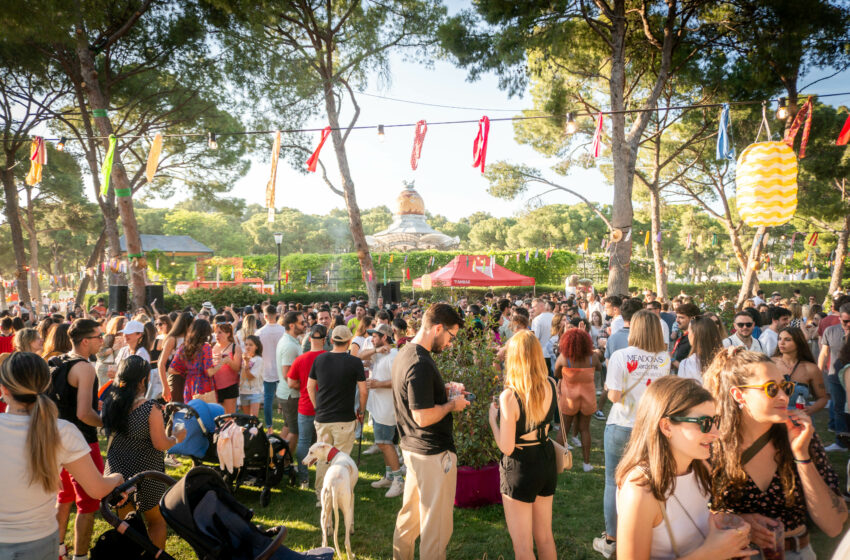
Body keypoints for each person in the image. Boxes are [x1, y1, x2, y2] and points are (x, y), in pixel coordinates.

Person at [704, 348, 846, 558]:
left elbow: (833, 525)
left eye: (785, 387)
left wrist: (802, 456)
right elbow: (689, 513)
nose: (783, 396)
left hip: (796, 552)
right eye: (771, 388)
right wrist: (738, 519)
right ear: (738, 394)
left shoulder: (801, 437)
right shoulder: (712, 444)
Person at [615, 376, 753, 560]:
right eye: (704, 423)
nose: (716, 433)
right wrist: (710, 554)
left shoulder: (699, 468)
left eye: (716, 421)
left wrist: (725, 527)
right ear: (666, 427)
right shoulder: (641, 490)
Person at [0, 352, 122, 560]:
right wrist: (117, 477)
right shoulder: (63, 431)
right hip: (39, 542)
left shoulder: (60, 431)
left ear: (3, 389)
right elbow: (97, 489)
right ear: (47, 385)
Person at [392, 303, 469, 560]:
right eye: (451, 336)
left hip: (414, 451)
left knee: (409, 520)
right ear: (438, 328)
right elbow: (422, 416)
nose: (451, 342)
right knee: (435, 530)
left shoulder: (406, 352)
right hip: (432, 455)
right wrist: (452, 405)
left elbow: (416, 397)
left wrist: (444, 389)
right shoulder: (420, 362)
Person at [594, 310, 671, 559]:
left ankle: (612, 538)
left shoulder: (620, 356)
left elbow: (614, 397)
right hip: (650, 426)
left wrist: (609, 386)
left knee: (612, 481)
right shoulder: (663, 358)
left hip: (622, 424)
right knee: (648, 481)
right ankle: (647, 530)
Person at [101, 356, 186, 549]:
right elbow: (160, 444)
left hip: (117, 472)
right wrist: (177, 437)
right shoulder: (149, 408)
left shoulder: (110, 402)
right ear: (142, 380)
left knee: (128, 525)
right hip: (146, 473)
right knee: (155, 521)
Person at [488, 330, 557, 560]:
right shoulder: (550, 384)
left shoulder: (509, 396)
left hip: (520, 466)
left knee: (523, 547)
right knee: (545, 537)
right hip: (546, 458)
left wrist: (492, 422)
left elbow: (506, 447)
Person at [49, 319, 106, 560]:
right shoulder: (85, 368)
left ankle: (57, 550)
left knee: (64, 498)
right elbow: (84, 413)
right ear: (85, 341)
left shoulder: (54, 361)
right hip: (82, 442)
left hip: (55, 438)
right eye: (98, 336)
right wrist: (107, 421)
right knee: (89, 503)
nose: (102, 340)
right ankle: (80, 557)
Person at [307, 325, 367, 501]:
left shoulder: (319, 359)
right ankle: (340, 493)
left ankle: (321, 495)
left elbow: (310, 387)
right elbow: (363, 391)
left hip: (324, 417)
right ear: (349, 342)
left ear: (331, 340)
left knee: (323, 459)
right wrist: (361, 411)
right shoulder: (354, 362)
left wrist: (317, 406)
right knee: (342, 459)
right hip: (344, 418)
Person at [358, 323, 404, 498]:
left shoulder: (394, 355)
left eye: (375, 336)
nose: (371, 338)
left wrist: (379, 384)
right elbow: (359, 356)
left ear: (385, 337)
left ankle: (398, 481)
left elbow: (399, 381)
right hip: (377, 408)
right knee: (384, 444)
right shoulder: (379, 353)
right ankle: (389, 476)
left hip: (387, 408)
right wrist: (376, 351)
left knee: (385, 443)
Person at [287, 325, 327, 489]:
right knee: (323, 442)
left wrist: (303, 386)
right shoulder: (328, 357)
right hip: (325, 407)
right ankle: (322, 478)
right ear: (325, 340)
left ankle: (304, 479)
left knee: (303, 442)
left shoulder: (300, 359)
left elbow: (290, 382)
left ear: (309, 339)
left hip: (305, 405)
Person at [554, 328, 597, 472]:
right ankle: (586, 463)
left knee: (564, 429)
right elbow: (598, 367)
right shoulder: (592, 358)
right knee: (585, 429)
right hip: (588, 397)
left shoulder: (564, 358)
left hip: (569, 397)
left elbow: (557, 373)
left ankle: (558, 463)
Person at [773, 327, 828, 415]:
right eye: (779, 339)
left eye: (787, 339)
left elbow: (823, 398)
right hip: (775, 418)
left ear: (798, 342)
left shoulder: (810, 368)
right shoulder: (770, 364)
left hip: (800, 419)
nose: (781, 343)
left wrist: (811, 409)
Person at [818, 302, 850, 451]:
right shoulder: (830, 331)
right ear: (839, 319)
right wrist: (818, 375)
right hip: (835, 375)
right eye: (845, 321)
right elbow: (824, 353)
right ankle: (841, 441)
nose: (848, 324)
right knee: (838, 407)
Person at [276, 311, 304, 454]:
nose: (305, 325)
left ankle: (275, 456)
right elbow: (288, 376)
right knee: (295, 432)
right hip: (290, 394)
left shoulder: (291, 341)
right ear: (292, 325)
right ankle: (285, 462)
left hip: (286, 393)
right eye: (301, 322)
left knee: (288, 427)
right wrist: (305, 387)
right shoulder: (289, 345)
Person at [167, 319, 214, 404]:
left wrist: (186, 371)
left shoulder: (183, 348)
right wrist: (222, 362)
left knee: (191, 414)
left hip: (189, 386)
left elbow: (171, 369)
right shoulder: (206, 347)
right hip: (204, 386)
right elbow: (209, 372)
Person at [257, 305, 285, 428]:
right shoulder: (283, 330)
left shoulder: (259, 333)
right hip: (282, 367)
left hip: (267, 368)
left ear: (265, 316)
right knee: (285, 397)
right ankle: (287, 424)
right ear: (276, 315)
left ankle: (269, 425)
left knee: (268, 398)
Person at [157, 312, 192, 402]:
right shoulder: (172, 339)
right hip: (176, 380)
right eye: (192, 324)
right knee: (176, 411)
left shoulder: (191, 338)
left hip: (191, 379)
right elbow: (161, 363)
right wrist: (165, 386)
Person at [678, 316, 723, 384]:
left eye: (689, 332)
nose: (688, 335)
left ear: (694, 335)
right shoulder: (725, 360)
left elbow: (683, 392)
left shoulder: (687, 364)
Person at [211, 322, 241, 414]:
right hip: (214, 386)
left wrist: (227, 360)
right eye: (215, 332)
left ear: (228, 334)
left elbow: (237, 368)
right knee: (218, 416)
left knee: (229, 416)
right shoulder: (212, 346)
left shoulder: (235, 347)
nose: (217, 335)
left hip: (230, 386)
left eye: (220, 332)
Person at [239, 335, 264, 417]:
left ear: (256, 346)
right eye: (246, 344)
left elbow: (250, 377)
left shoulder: (258, 360)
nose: (247, 347)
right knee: (247, 420)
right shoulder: (243, 358)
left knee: (253, 420)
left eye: (251, 345)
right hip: (243, 392)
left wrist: (246, 363)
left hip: (254, 392)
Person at [671, 303, 700, 372]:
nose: (677, 320)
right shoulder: (682, 335)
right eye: (676, 317)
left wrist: (672, 360)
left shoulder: (695, 339)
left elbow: (692, 369)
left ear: (692, 319)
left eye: (681, 317)